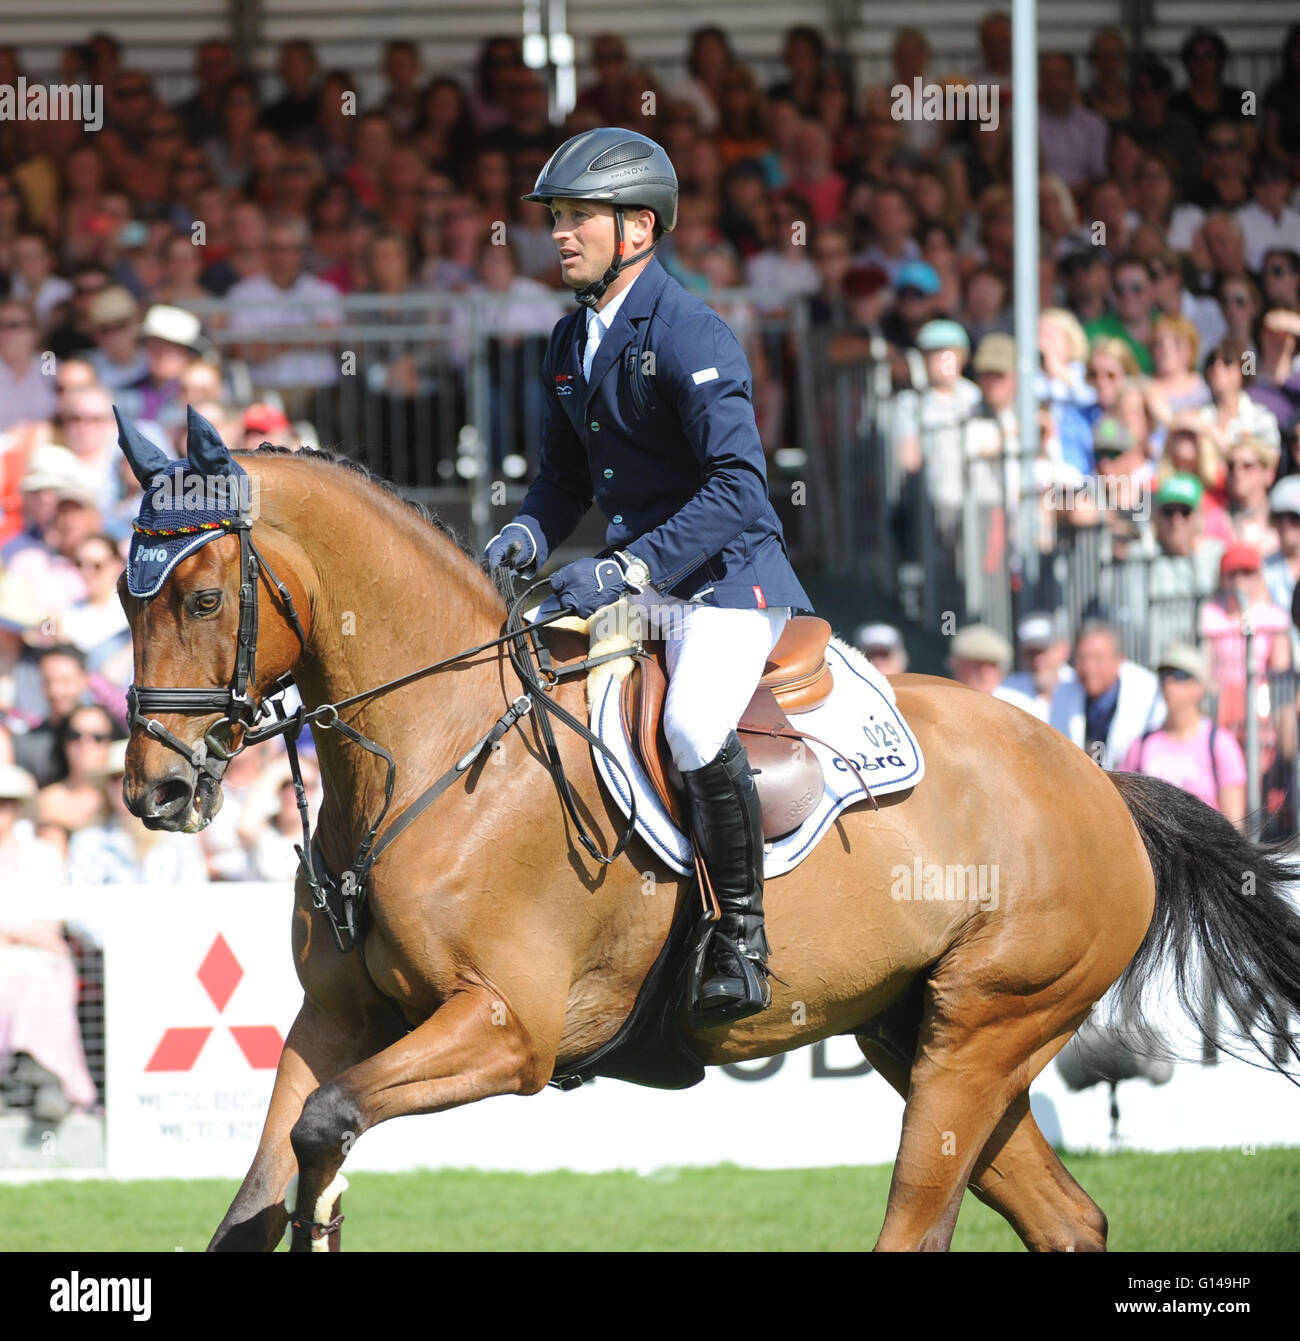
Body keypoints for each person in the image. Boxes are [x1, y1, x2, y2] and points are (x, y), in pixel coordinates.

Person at [484, 127, 812, 1025]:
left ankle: (741, 936)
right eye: (555, 217)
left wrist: (629, 565)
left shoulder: (690, 331)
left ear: (638, 227)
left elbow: (740, 486)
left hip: (727, 583)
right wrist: (523, 533)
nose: (558, 233)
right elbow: (561, 483)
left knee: (694, 725)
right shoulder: (568, 340)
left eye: (577, 216)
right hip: (644, 588)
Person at [1119, 643, 1246, 827]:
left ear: (1199, 687)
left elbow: (1235, 826)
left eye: (1179, 676)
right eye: (1163, 675)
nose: (1168, 683)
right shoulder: (1142, 745)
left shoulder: (1219, 743)